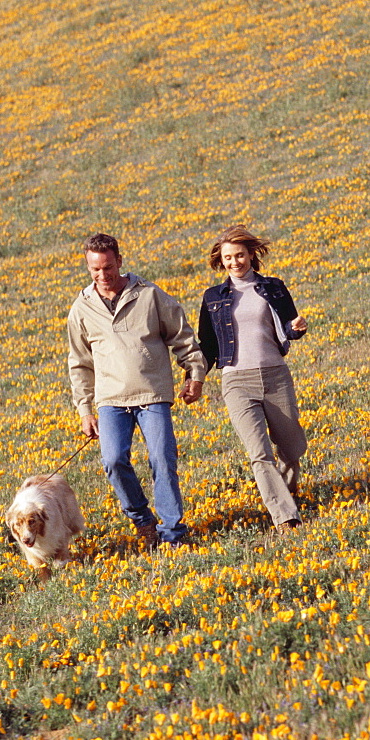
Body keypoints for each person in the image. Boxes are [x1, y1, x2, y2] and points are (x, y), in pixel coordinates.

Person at [67, 233, 207, 548]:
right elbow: (79, 363)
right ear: (88, 267)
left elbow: (181, 336)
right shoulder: (82, 308)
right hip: (110, 400)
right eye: (95, 270)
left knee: (162, 459)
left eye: (108, 267)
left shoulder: (150, 295)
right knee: (114, 460)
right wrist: (85, 410)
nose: (103, 275)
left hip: (152, 395)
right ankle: (143, 521)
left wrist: (194, 373)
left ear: (119, 260)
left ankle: (173, 534)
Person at [198, 225, 307, 534]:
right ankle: (285, 515)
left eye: (240, 255)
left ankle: (287, 489)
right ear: (221, 261)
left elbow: (289, 326)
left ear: (251, 255)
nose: (235, 262)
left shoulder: (273, 286)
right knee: (259, 453)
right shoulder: (213, 298)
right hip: (236, 380)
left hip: (275, 375)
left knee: (293, 446)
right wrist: (195, 378)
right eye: (228, 257)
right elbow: (207, 345)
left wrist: (297, 328)